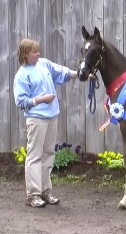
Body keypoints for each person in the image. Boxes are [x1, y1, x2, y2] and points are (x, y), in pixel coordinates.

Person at [13, 38, 78, 208]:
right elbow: (21, 102)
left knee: (49, 153)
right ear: (26, 55)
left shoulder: (44, 64)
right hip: (36, 119)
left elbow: (61, 72)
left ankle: (45, 191)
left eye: (38, 51)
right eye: (35, 52)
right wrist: (42, 100)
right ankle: (33, 195)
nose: (38, 54)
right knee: (34, 156)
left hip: (52, 117)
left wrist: (80, 73)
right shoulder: (22, 75)